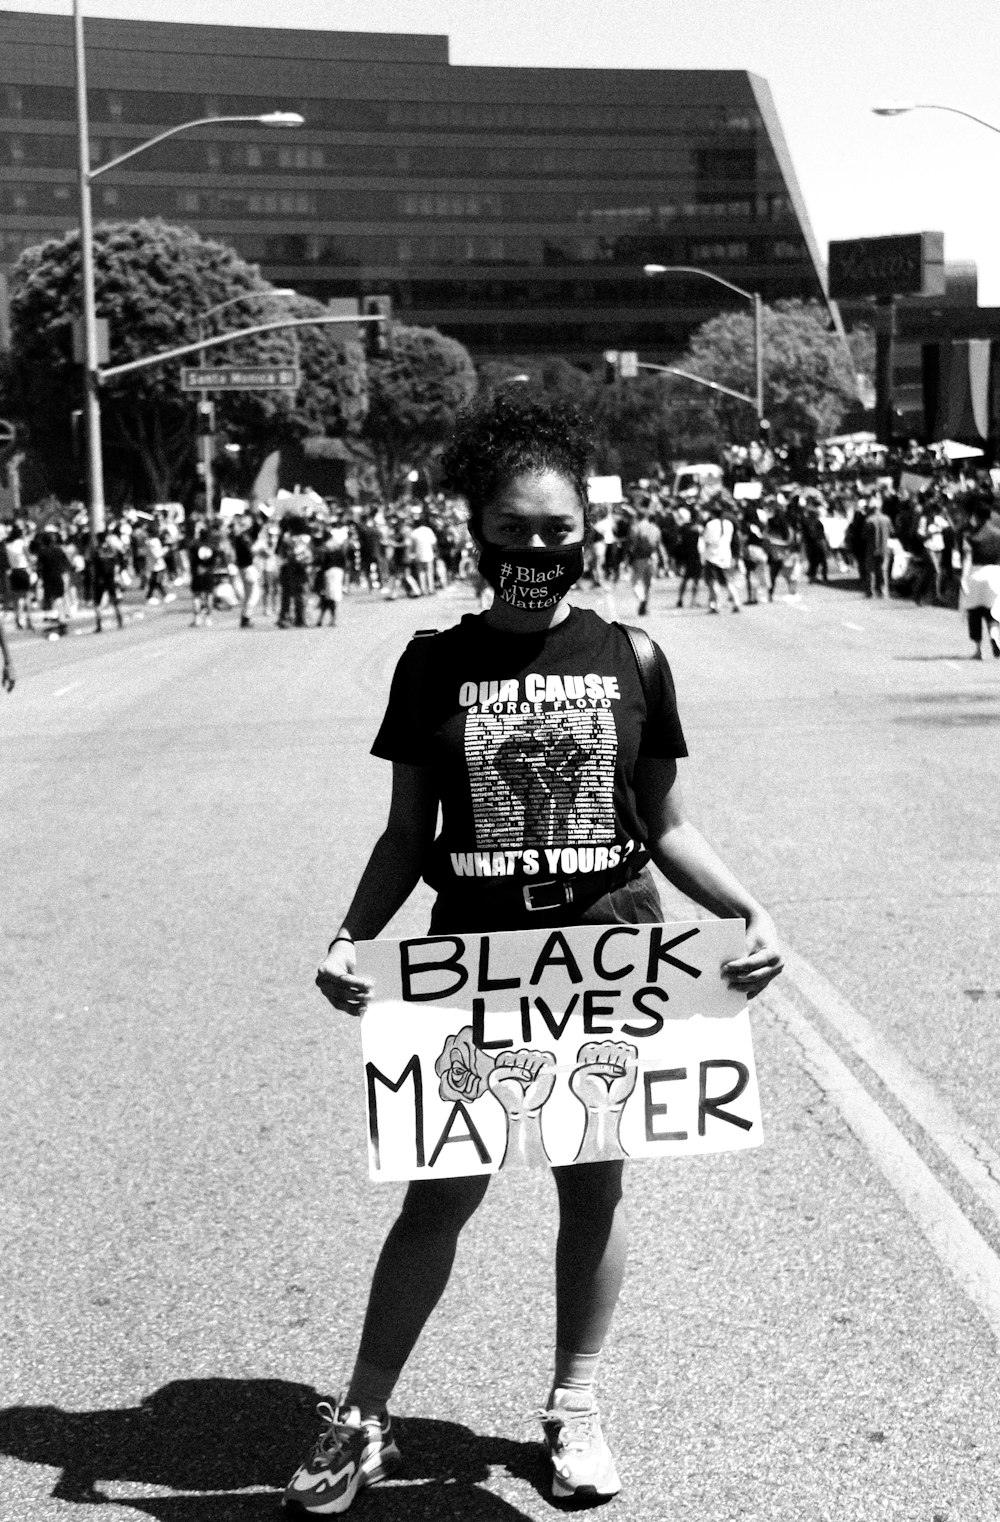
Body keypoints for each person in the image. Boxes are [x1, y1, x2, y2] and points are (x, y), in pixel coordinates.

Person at [286, 393, 783, 1516]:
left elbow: (663, 821)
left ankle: (574, 1405)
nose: (538, 550)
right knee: (439, 1192)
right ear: (474, 527)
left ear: (586, 529)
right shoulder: (430, 667)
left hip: (606, 948)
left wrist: (750, 911)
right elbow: (408, 835)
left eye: (557, 530)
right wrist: (350, 933)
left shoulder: (634, 656)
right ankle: (362, 1415)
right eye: (514, 529)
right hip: (471, 960)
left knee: (590, 1187)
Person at [960, 494, 1000, 659]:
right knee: (993, 611)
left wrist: (963, 578)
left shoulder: (970, 535)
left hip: (976, 574)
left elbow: (968, 557)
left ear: (976, 516)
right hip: (995, 574)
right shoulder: (998, 534)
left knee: (974, 613)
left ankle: (978, 650)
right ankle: (994, 634)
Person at [698, 500, 741, 613]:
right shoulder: (728, 524)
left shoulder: (710, 525)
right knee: (728, 582)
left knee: (713, 582)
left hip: (712, 556)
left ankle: (715, 605)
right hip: (725, 555)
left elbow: (706, 540)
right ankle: (736, 602)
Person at [624, 506, 662, 616]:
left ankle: (641, 599)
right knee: (648, 583)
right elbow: (659, 545)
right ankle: (646, 606)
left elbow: (632, 545)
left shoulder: (635, 528)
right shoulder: (655, 528)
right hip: (653, 557)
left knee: (636, 582)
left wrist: (627, 559)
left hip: (640, 558)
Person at [862, 499, 892, 599]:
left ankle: (871, 591)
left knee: (871, 571)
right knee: (883, 570)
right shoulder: (887, 519)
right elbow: (892, 531)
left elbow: (864, 535)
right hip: (884, 548)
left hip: (872, 548)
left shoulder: (869, 520)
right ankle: (884, 591)